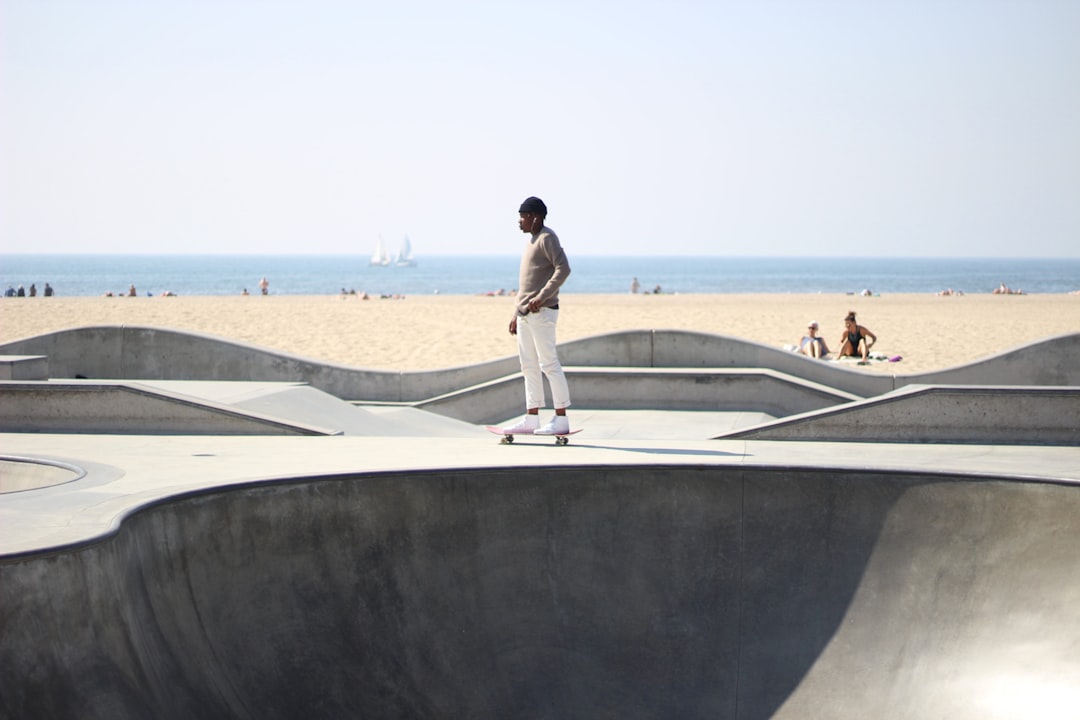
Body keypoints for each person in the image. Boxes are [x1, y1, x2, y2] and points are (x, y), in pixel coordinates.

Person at [503, 196, 572, 436]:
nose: (520, 221)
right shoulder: (532, 241)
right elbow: (526, 284)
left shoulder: (547, 238)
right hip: (525, 315)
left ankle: (561, 419)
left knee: (549, 364)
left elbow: (563, 269)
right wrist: (516, 312)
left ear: (535, 217)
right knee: (528, 367)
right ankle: (531, 418)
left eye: (523, 216)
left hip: (542, 313)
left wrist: (542, 297)